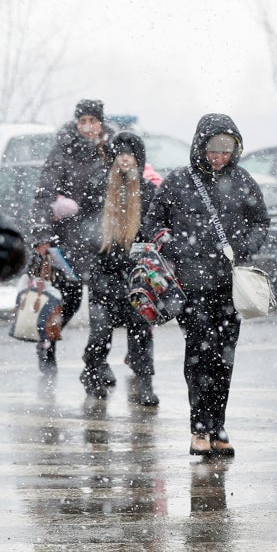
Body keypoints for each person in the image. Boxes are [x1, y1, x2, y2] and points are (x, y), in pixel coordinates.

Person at [143, 113, 269, 457]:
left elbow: (261, 222)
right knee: (200, 355)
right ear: (200, 147)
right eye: (213, 150)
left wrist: (243, 246)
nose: (219, 157)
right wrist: (173, 245)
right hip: (190, 285)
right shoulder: (178, 182)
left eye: (226, 151)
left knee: (224, 358)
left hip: (229, 285)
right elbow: (153, 222)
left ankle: (219, 425)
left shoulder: (243, 181)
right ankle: (199, 425)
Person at [30, 99, 116, 376]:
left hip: (104, 238)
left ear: (101, 122)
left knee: (103, 304)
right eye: (83, 121)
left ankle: (97, 363)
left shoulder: (111, 149)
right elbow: (44, 194)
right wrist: (42, 234)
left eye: (93, 121)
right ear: (77, 123)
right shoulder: (63, 150)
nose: (88, 127)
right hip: (69, 239)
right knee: (70, 299)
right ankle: (47, 343)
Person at [79, 132, 159, 405]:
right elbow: (85, 229)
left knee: (140, 331)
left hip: (137, 274)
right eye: (120, 154)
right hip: (105, 270)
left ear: (138, 159)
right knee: (100, 330)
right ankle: (92, 371)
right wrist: (100, 257)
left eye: (130, 154)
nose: (124, 159)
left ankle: (145, 380)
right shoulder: (98, 187)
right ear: (112, 157)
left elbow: (155, 231)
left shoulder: (148, 192)